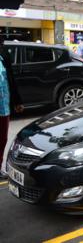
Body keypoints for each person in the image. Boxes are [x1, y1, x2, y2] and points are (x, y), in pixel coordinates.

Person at [0, 37, 24, 179]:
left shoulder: (3, 55)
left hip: (3, 106)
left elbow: (11, 79)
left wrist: (17, 101)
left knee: (2, 138)